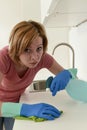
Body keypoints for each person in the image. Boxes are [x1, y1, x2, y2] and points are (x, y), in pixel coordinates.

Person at [0, 20, 72, 130]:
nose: (35, 57)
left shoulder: (42, 57)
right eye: (27, 50)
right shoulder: (3, 58)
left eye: (39, 48)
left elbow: (69, 76)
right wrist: (26, 109)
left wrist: (67, 75)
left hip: (17, 102)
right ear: (16, 48)